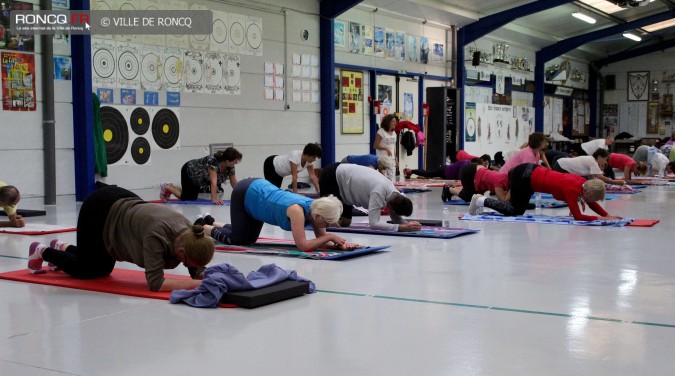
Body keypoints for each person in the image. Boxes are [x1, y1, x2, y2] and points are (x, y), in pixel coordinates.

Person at [27, 186, 214, 292]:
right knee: (90, 269)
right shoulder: (156, 237)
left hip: (123, 201)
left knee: (103, 267)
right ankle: (42, 251)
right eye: (190, 264)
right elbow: (155, 283)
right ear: (181, 253)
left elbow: (194, 257)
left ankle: (62, 246)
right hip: (99, 209)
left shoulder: (191, 233)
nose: (191, 267)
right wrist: (194, 284)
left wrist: (201, 275)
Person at [203, 178, 356, 252]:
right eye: (327, 223)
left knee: (250, 239)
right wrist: (331, 237)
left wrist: (341, 245)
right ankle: (205, 228)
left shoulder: (317, 210)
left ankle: (214, 222)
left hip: (259, 196)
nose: (328, 227)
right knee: (239, 239)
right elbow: (303, 246)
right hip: (246, 193)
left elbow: (322, 242)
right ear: (318, 217)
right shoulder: (297, 211)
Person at [469, 163, 621, 221]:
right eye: (591, 197)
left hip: (529, 173)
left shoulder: (583, 183)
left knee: (518, 208)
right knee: (514, 210)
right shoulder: (572, 189)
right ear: (588, 192)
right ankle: (480, 200)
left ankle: (481, 201)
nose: (589, 201)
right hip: (525, 176)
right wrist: (600, 219)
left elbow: (590, 201)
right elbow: (578, 216)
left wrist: (607, 215)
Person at [319, 163, 422, 232]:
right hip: (332, 176)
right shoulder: (379, 192)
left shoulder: (395, 194)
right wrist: (401, 228)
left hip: (346, 186)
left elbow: (395, 217)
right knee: (333, 224)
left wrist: (407, 225)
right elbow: (374, 224)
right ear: (390, 206)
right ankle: (310, 216)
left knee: (345, 223)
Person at [161, 147, 242, 205]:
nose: (236, 163)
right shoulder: (213, 163)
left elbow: (234, 183)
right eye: (235, 161)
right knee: (186, 198)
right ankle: (166, 187)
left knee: (190, 196)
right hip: (189, 171)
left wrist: (241, 196)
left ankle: (171, 186)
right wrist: (214, 199)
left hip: (199, 179)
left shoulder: (230, 167)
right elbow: (213, 183)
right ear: (227, 160)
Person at [444, 162, 510, 202]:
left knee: (478, 196)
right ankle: (449, 189)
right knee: (471, 197)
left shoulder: (505, 176)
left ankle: (455, 188)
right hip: (469, 172)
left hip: (476, 169)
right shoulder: (500, 182)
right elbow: (503, 201)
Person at [552, 149, 624, 185]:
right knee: (571, 183)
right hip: (561, 166)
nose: (605, 162)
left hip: (560, 163)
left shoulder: (591, 159)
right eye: (605, 159)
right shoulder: (592, 161)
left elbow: (592, 178)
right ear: (599, 157)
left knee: (583, 180)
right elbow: (601, 177)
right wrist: (616, 182)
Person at [374, 114, 398, 180]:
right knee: (383, 178)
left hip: (391, 158)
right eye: (393, 121)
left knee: (390, 177)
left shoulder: (394, 133)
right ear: (388, 122)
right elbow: (375, 145)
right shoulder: (381, 131)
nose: (395, 123)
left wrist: (395, 158)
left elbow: (394, 146)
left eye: (395, 121)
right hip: (382, 157)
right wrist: (385, 148)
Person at [403, 159, 470, 180]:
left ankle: (412, 171)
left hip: (447, 173)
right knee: (428, 174)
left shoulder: (466, 163)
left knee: (429, 174)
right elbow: (461, 177)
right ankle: (411, 171)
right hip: (444, 171)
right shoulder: (465, 164)